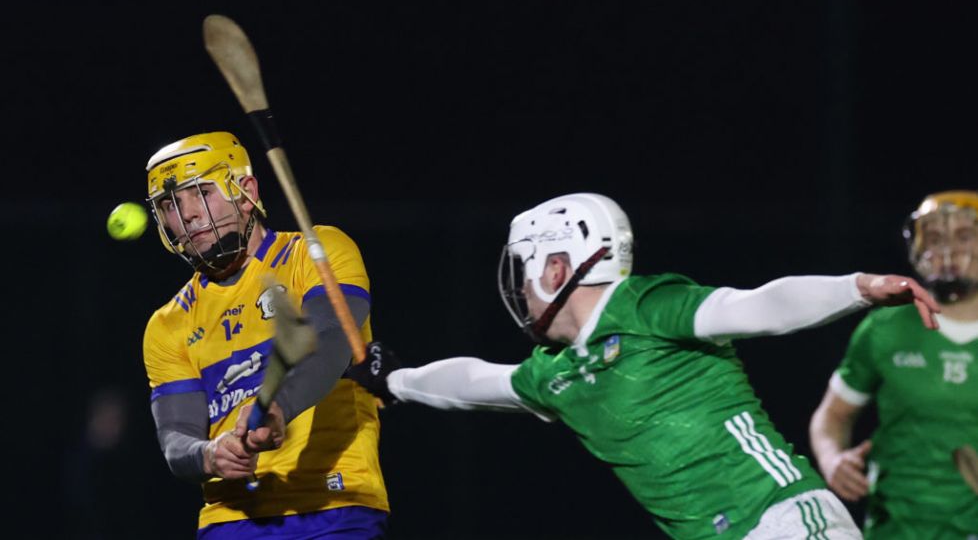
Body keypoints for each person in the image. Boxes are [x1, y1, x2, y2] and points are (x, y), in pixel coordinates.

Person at [348, 192, 940, 539]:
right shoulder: (557, 374)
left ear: (556, 267)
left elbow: (758, 306)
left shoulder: (649, 306)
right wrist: (394, 380)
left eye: (525, 270)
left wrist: (857, 288)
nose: (520, 290)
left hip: (785, 520)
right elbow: (478, 381)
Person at [141, 132, 389, 539]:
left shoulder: (318, 251)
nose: (187, 214)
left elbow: (332, 340)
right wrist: (209, 454)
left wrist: (279, 407)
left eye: (201, 192)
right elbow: (175, 438)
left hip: (334, 506)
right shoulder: (168, 323)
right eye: (170, 204)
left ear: (246, 190)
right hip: (231, 520)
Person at [809, 190, 978, 538]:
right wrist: (832, 460)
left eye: (964, 236)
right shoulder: (886, 327)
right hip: (894, 527)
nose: (949, 250)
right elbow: (833, 415)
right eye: (935, 237)